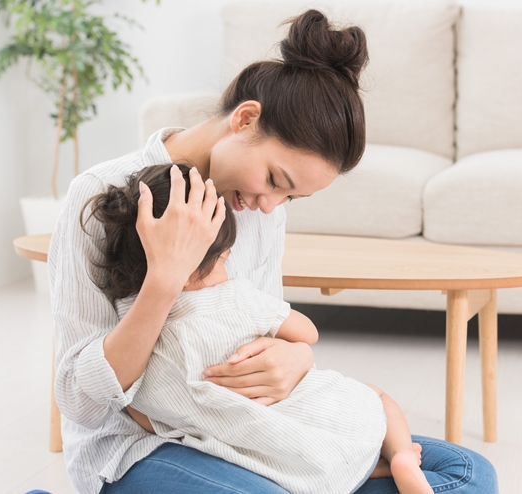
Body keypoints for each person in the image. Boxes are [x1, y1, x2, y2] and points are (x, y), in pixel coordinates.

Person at [47, 8, 499, 494]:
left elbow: (265, 321)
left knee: (467, 474)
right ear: (245, 119)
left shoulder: (259, 210)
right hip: (143, 447)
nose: (269, 206)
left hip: (262, 434)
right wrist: (163, 281)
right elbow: (82, 401)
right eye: (274, 181)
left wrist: (296, 357)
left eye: (290, 198)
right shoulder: (99, 196)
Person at [84, 162, 435, 494]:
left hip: (277, 459)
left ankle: (353, 468)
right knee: (376, 397)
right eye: (223, 258)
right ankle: (400, 455)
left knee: (251, 443)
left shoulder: (135, 331)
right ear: (205, 262)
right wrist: (298, 348)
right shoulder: (234, 297)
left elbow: (145, 417)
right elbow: (307, 331)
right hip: (323, 423)